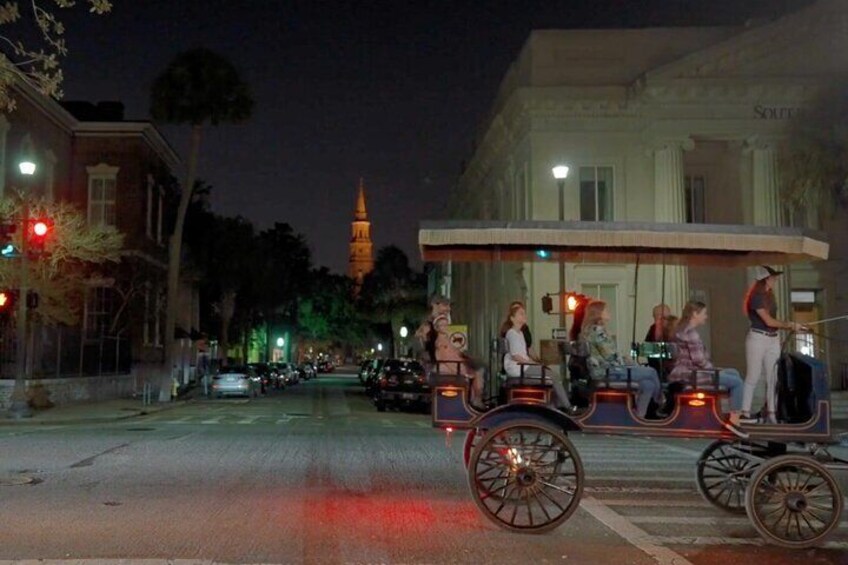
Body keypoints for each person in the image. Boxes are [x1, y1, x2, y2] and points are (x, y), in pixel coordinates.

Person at [741, 266, 805, 424]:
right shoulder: (756, 296)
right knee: (753, 376)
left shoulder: (770, 295)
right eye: (773, 277)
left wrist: (786, 326)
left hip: (772, 338)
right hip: (758, 338)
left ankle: (771, 413)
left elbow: (772, 322)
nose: (775, 280)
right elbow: (768, 321)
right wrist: (789, 325)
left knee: (773, 378)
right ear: (766, 279)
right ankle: (745, 413)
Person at [581, 300, 663, 419]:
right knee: (651, 371)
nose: (609, 312)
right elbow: (610, 356)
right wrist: (627, 361)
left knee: (648, 384)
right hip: (608, 371)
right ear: (598, 313)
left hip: (612, 368)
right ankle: (661, 401)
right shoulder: (597, 332)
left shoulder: (596, 331)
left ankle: (640, 416)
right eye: (606, 310)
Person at [670, 301, 745, 429]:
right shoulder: (691, 334)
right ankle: (734, 420)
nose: (706, 316)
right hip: (692, 375)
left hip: (684, 372)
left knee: (733, 372)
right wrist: (714, 370)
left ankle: (727, 412)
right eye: (704, 313)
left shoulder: (681, 330)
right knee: (737, 382)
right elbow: (699, 360)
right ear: (695, 314)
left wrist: (715, 369)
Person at [500, 301, 573, 411]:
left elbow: (524, 354)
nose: (524, 316)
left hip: (523, 366)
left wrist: (535, 363)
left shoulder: (520, 333)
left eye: (524, 313)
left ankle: (559, 405)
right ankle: (567, 406)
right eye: (521, 314)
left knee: (553, 375)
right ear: (512, 318)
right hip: (517, 367)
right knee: (553, 376)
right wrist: (533, 363)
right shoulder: (512, 333)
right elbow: (516, 356)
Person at [431, 313, 486, 409]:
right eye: (442, 325)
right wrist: (462, 369)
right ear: (437, 328)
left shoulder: (447, 340)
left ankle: (473, 398)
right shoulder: (441, 342)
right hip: (451, 367)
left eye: (446, 324)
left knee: (477, 368)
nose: (445, 327)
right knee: (478, 371)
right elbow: (447, 357)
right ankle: (475, 399)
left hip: (455, 365)